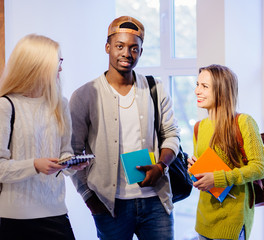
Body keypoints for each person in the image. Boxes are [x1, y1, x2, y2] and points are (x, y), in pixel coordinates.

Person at [69, 16, 180, 240]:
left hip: (155, 202)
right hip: (110, 206)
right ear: (107, 47)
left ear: (140, 51)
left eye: (134, 48)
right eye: (119, 46)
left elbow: (171, 135)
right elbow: (72, 152)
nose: (127, 54)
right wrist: (89, 197)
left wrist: (161, 166)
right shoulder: (85, 95)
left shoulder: (154, 88)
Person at [0, 34, 88, 240]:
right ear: (37, 65)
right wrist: (34, 165)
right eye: (57, 62)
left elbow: (64, 152)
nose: (60, 68)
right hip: (16, 219)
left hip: (55, 213)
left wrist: (69, 164)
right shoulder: (7, 105)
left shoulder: (61, 104)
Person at [188, 64, 264, 240]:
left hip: (232, 220)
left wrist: (218, 178)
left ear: (222, 91)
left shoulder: (243, 122)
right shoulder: (199, 127)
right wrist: (193, 168)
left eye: (204, 86)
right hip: (203, 220)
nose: (197, 91)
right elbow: (204, 173)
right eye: (197, 84)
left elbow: (260, 167)